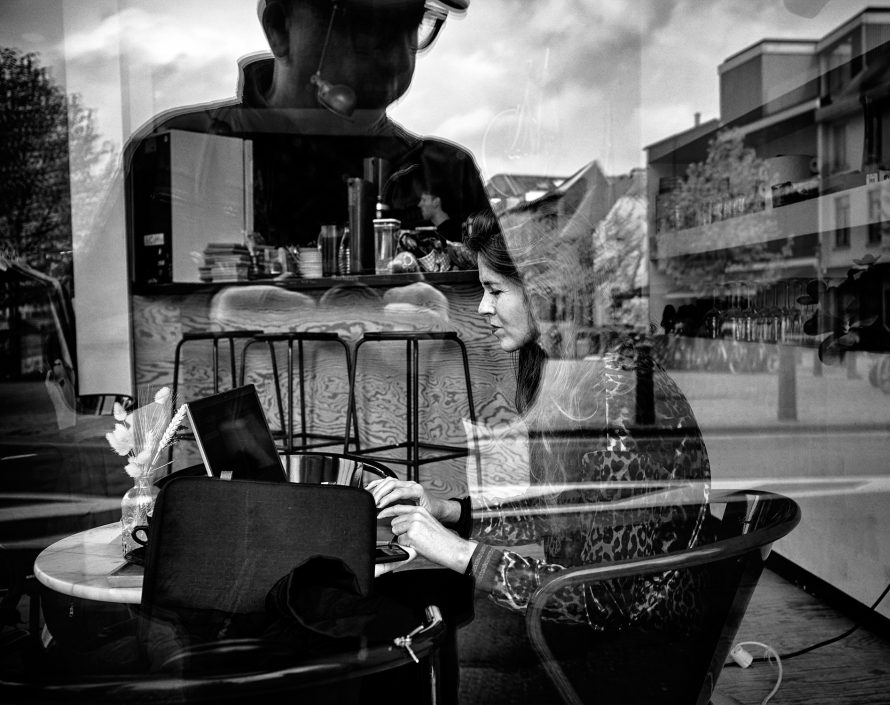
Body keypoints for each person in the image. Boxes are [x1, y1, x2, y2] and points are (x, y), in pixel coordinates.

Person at [368, 210, 713, 702]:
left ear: (545, 294)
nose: (483, 307)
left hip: (632, 657)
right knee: (411, 615)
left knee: (410, 638)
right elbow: (562, 512)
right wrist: (451, 514)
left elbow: (601, 602)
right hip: (597, 631)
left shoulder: (615, 401)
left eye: (496, 290)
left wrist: (459, 553)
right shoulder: (577, 381)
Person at [125, 0, 493, 249]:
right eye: (363, 22)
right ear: (279, 27)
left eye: (410, 24)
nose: (395, 56)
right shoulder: (178, 153)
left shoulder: (445, 174)